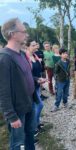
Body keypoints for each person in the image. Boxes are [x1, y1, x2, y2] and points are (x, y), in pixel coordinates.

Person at [0, 18, 36, 149]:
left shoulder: (20, 54)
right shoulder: (4, 58)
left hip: (29, 103)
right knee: (17, 143)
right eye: (24, 31)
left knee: (30, 135)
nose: (27, 34)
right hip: (17, 110)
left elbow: (25, 76)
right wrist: (11, 116)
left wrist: (37, 80)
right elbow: (3, 92)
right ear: (13, 34)